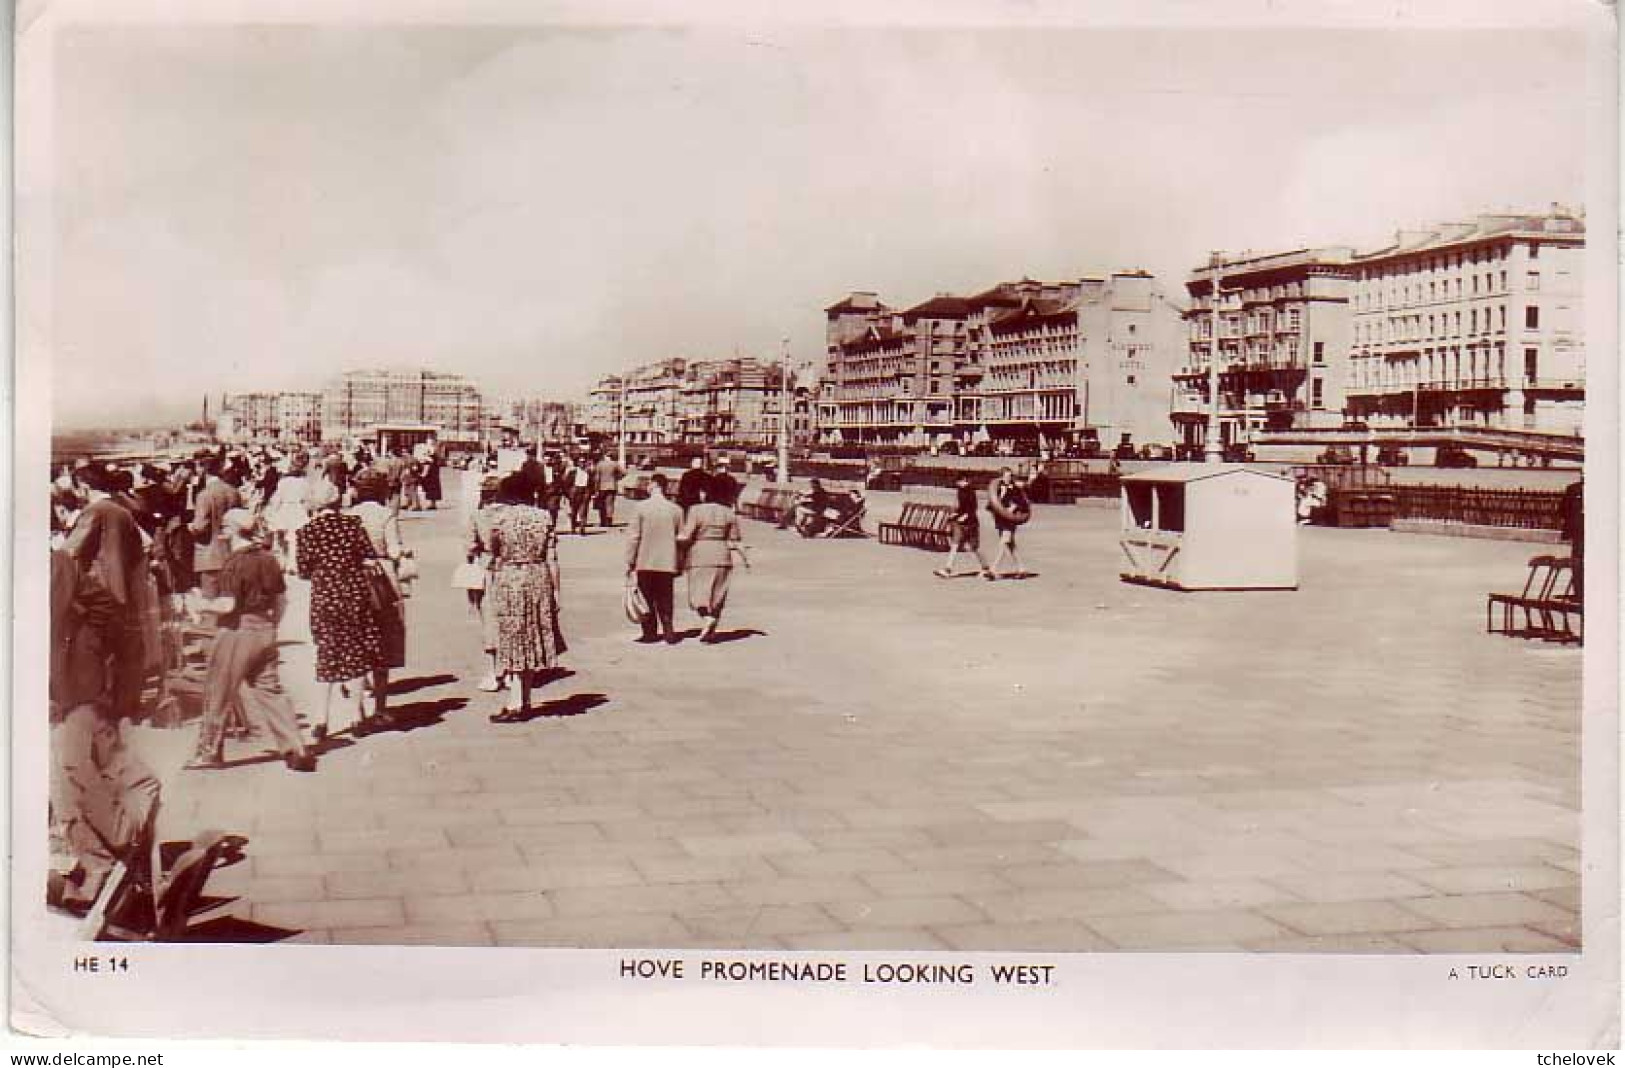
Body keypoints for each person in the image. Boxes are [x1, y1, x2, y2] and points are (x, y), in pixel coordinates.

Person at [49, 548, 160, 910]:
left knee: (75, 767)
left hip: (80, 685)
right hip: (76, 684)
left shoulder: (54, 562)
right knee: (73, 769)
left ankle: (99, 864)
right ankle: (93, 863)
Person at [185, 511, 317, 772]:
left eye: (223, 526)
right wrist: (271, 628)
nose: (220, 530)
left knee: (218, 691)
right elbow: (281, 600)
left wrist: (200, 605)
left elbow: (227, 605)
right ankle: (296, 748)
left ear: (233, 530)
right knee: (270, 690)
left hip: (236, 630)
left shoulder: (234, 563)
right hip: (264, 628)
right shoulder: (268, 559)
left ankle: (208, 753)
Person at [296, 480, 387, 738]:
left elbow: (303, 571)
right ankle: (356, 716)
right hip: (354, 593)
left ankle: (322, 719)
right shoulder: (352, 525)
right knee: (356, 653)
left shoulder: (307, 532)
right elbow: (368, 555)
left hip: (326, 596)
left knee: (327, 653)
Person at [60, 465, 151, 720]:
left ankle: (99, 711)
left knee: (95, 655)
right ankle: (125, 710)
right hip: (125, 594)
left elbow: (69, 552)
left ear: (85, 487)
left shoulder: (94, 512)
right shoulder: (123, 512)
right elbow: (141, 550)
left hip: (99, 594)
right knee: (123, 656)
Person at [486, 473, 565, 720]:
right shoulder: (543, 517)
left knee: (512, 637)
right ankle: (525, 699)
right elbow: (552, 557)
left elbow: (494, 550)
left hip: (510, 578)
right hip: (538, 576)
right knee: (531, 637)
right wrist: (556, 590)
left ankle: (515, 704)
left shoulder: (499, 518)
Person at [348, 470, 409, 708]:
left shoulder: (349, 514)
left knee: (360, 634)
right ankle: (381, 705)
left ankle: (359, 693)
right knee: (385, 634)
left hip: (356, 576)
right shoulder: (386, 515)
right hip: (383, 575)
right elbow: (394, 549)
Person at [678, 481, 746, 642]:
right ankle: (712, 630)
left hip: (700, 554)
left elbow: (686, 535)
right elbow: (735, 539)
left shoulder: (696, 510)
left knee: (697, 593)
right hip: (722, 554)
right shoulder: (729, 512)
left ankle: (707, 618)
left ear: (705, 493)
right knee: (718, 593)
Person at [625, 472, 684, 644]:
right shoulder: (676, 510)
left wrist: (630, 560)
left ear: (655, 485)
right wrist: (680, 562)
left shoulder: (640, 508)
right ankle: (668, 631)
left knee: (646, 597)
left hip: (645, 560)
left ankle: (649, 633)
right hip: (667, 561)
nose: (647, 486)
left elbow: (634, 537)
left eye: (649, 483)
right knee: (666, 596)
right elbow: (681, 539)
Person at [464, 473, 506, 691]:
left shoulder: (478, 515)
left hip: (487, 569)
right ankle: (509, 671)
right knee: (509, 619)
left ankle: (492, 672)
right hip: (509, 568)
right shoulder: (510, 514)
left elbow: (470, 546)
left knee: (489, 620)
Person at [188, 459, 242, 598]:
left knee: (212, 603)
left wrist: (190, 527)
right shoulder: (233, 491)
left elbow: (200, 527)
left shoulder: (204, 495)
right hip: (232, 551)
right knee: (231, 599)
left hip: (210, 556)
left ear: (203, 470)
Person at [935, 475, 994, 581]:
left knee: (975, 547)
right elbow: (960, 507)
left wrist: (965, 516)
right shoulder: (960, 491)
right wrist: (955, 514)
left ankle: (986, 568)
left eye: (960, 482)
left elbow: (973, 508)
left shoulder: (971, 491)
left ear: (965, 480)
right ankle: (947, 569)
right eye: (958, 482)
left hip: (971, 523)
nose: (958, 484)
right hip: (960, 523)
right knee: (955, 545)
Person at [263, 450, 312, 574]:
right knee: (294, 539)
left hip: (284, 509)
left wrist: (272, 512)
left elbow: (277, 499)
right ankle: (293, 564)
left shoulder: (283, 482)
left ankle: (282, 563)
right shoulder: (305, 483)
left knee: (281, 538)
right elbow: (307, 499)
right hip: (298, 510)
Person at [986, 468, 1032, 579]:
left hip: (1010, 520)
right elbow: (992, 503)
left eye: (1010, 476)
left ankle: (994, 569)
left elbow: (1023, 503)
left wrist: (1014, 507)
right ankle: (1021, 568)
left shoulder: (1015, 489)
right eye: (1006, 476)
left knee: (1004, 542)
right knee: (1010, 545)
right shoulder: (997, 488)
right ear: (1001, 477)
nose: (1008, 478)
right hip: (1000, 519)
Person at [1562, 479, 1584, 604]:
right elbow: (1563, 510)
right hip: (1578, 533)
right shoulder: (1573, 489)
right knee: (1577, 562)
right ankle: (1579, 593)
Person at [593, 453, 624, 527]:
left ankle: (603, 521)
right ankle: (609, 521)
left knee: (602, 505)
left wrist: (596, 489)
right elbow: (624, 473)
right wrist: (617, 478)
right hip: (612, 486)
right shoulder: (615, 464)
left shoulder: (600, 464)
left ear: (605, 456)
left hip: (602, 487)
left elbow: (597, 478)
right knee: (610, 504)